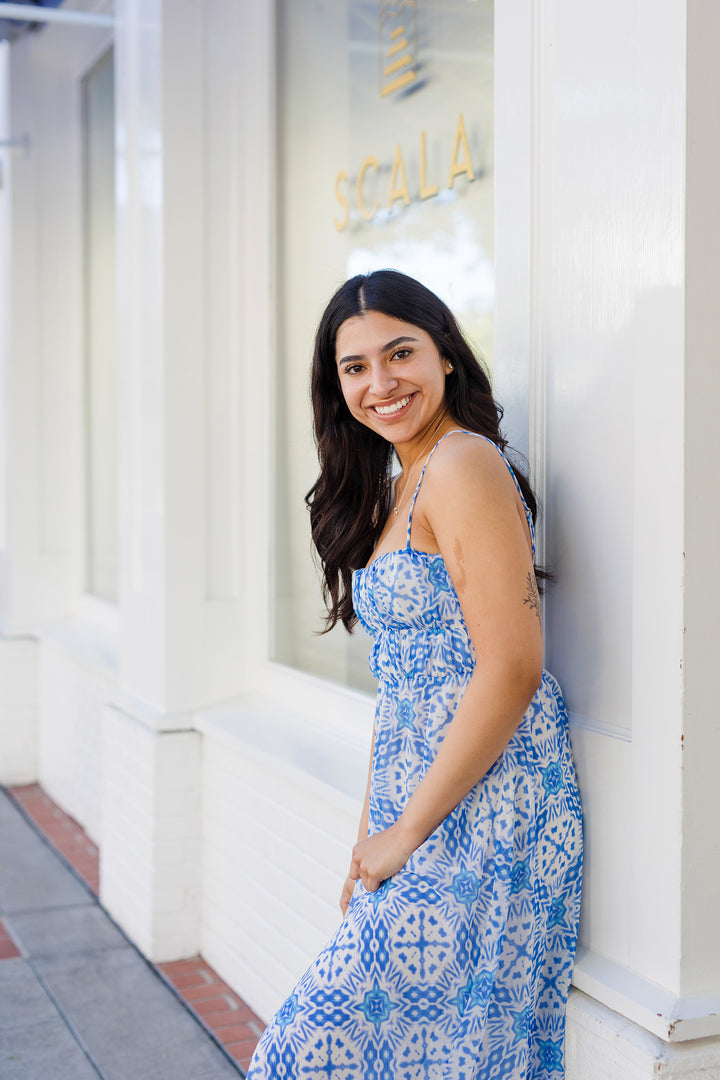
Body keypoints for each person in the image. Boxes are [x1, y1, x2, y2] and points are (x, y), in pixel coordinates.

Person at [247, 270, 583, 1079]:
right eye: (355, 367)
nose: (380, 382)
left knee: (312, 1050)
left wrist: (406, 832)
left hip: (494, 801)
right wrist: (370, 836)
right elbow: (401, 692)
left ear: (447, 358)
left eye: (400, 352)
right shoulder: (402, 481)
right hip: (424, 802)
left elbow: (511, 667)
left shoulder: (463, 463)